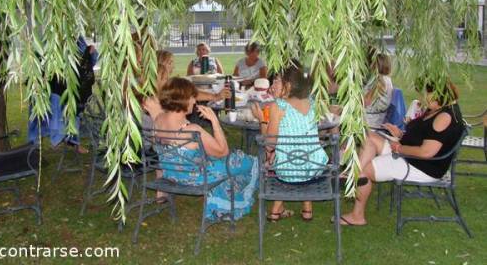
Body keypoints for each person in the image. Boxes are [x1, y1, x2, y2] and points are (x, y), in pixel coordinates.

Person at [339, 79, 464, 226]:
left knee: (365, 171)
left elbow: (426, 152)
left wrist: (399, 148)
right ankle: (354, 174)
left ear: (439, 95)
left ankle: (357, 215)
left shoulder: (445, 117)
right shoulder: (438, 109)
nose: (425, 97)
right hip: (408, 155)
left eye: (428, 94)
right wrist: (400, 135)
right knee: (369, 137)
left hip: (422, 167)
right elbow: (423, 136)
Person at [143, 77, 258, 221]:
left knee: (229, 158)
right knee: (244, 160)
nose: (194, 101)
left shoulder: (158, 120)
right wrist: (214, 121)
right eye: (192, 97)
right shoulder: (191, 130)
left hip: (171, 173)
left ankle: (222, 196)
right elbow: (223, 151)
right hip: (195, 178)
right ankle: (229, 200)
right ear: (183, 99)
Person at [252, 64, 328, 222]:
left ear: (289, 85)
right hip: (314, 168)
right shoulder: (313, 102)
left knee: (274, 157)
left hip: (288, 171)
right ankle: (307, 209)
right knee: (301, 156)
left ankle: (275, 210)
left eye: (276, 82)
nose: (272, 86)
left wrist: (262, 121)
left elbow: (269, 144)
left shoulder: (278, 107)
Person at [28, 38, 98, 154]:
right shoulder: (47, 36)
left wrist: (90, 52)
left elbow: (85, 58)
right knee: (40, 112)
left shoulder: (76, 36)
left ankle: (72, 142)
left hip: (69, 86)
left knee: (72, 112)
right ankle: (35, 143)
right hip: (50, 85)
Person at [364, 52, 393, 129]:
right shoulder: (387, 79)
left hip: (368, 122)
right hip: (377, 120)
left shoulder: (378, 81)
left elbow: (365, 102)